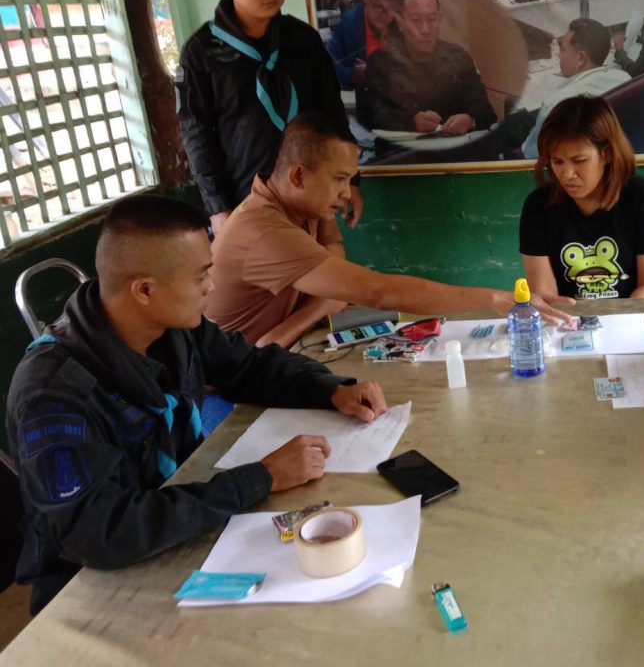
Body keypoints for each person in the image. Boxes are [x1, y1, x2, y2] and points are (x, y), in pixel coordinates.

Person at [5, 194, 388, 613]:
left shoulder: (172, 327)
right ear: (145, 290)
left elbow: (248, 367)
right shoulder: (52, 395)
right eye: (200, 276)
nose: (212, 287)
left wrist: (329, 388)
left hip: (185, 525)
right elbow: (100, 533)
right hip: (91, 587)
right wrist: (259, 479)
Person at [208, 112, 572, 346]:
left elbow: (336, 289)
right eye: (339, 179)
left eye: (349, 179)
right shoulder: (265, 231)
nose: (346, 194)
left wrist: (318, 305)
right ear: (298, 175)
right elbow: (379, 291)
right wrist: (495, 299)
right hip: (227, 384)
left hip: (276, 348)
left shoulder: (301, 204)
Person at [176, 0, 362, 235]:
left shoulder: (302, 39)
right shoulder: (202, 51)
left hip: (312, 195)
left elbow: (331, 112)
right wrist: (218, 206)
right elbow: (196, 133)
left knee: (320, 263)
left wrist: (350, 181)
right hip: (244, 200)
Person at [519, 96, 644, 300]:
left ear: (607, 153)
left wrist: (622, 319)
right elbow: (545, 295)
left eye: (579, 161)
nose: (567, 174)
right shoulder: (538, 205)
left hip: (632, 314)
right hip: (566, 317)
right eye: (557, 161)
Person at [357, 0, 497, 136]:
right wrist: (410, 122)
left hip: (456, 147)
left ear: (439, 19)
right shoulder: (382, 61)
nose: (425, 30)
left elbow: (486, 111)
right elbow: (369, 115)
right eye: (415, 20)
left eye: (431, 19)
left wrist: (471, 119)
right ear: (401, 23)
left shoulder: (458, 57)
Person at [520, 18, 630, 160]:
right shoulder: (623, 78)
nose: (559, 55)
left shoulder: (556, 105)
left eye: (563, 50)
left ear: (581, 58)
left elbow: (531, 153)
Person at [326, 0, 398, 90]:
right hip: (364, 92)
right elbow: (330, 65)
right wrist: (357, 76)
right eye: (377, 6)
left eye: (391, 8)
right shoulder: (349, 23)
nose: (384, 14)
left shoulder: (399, 24)